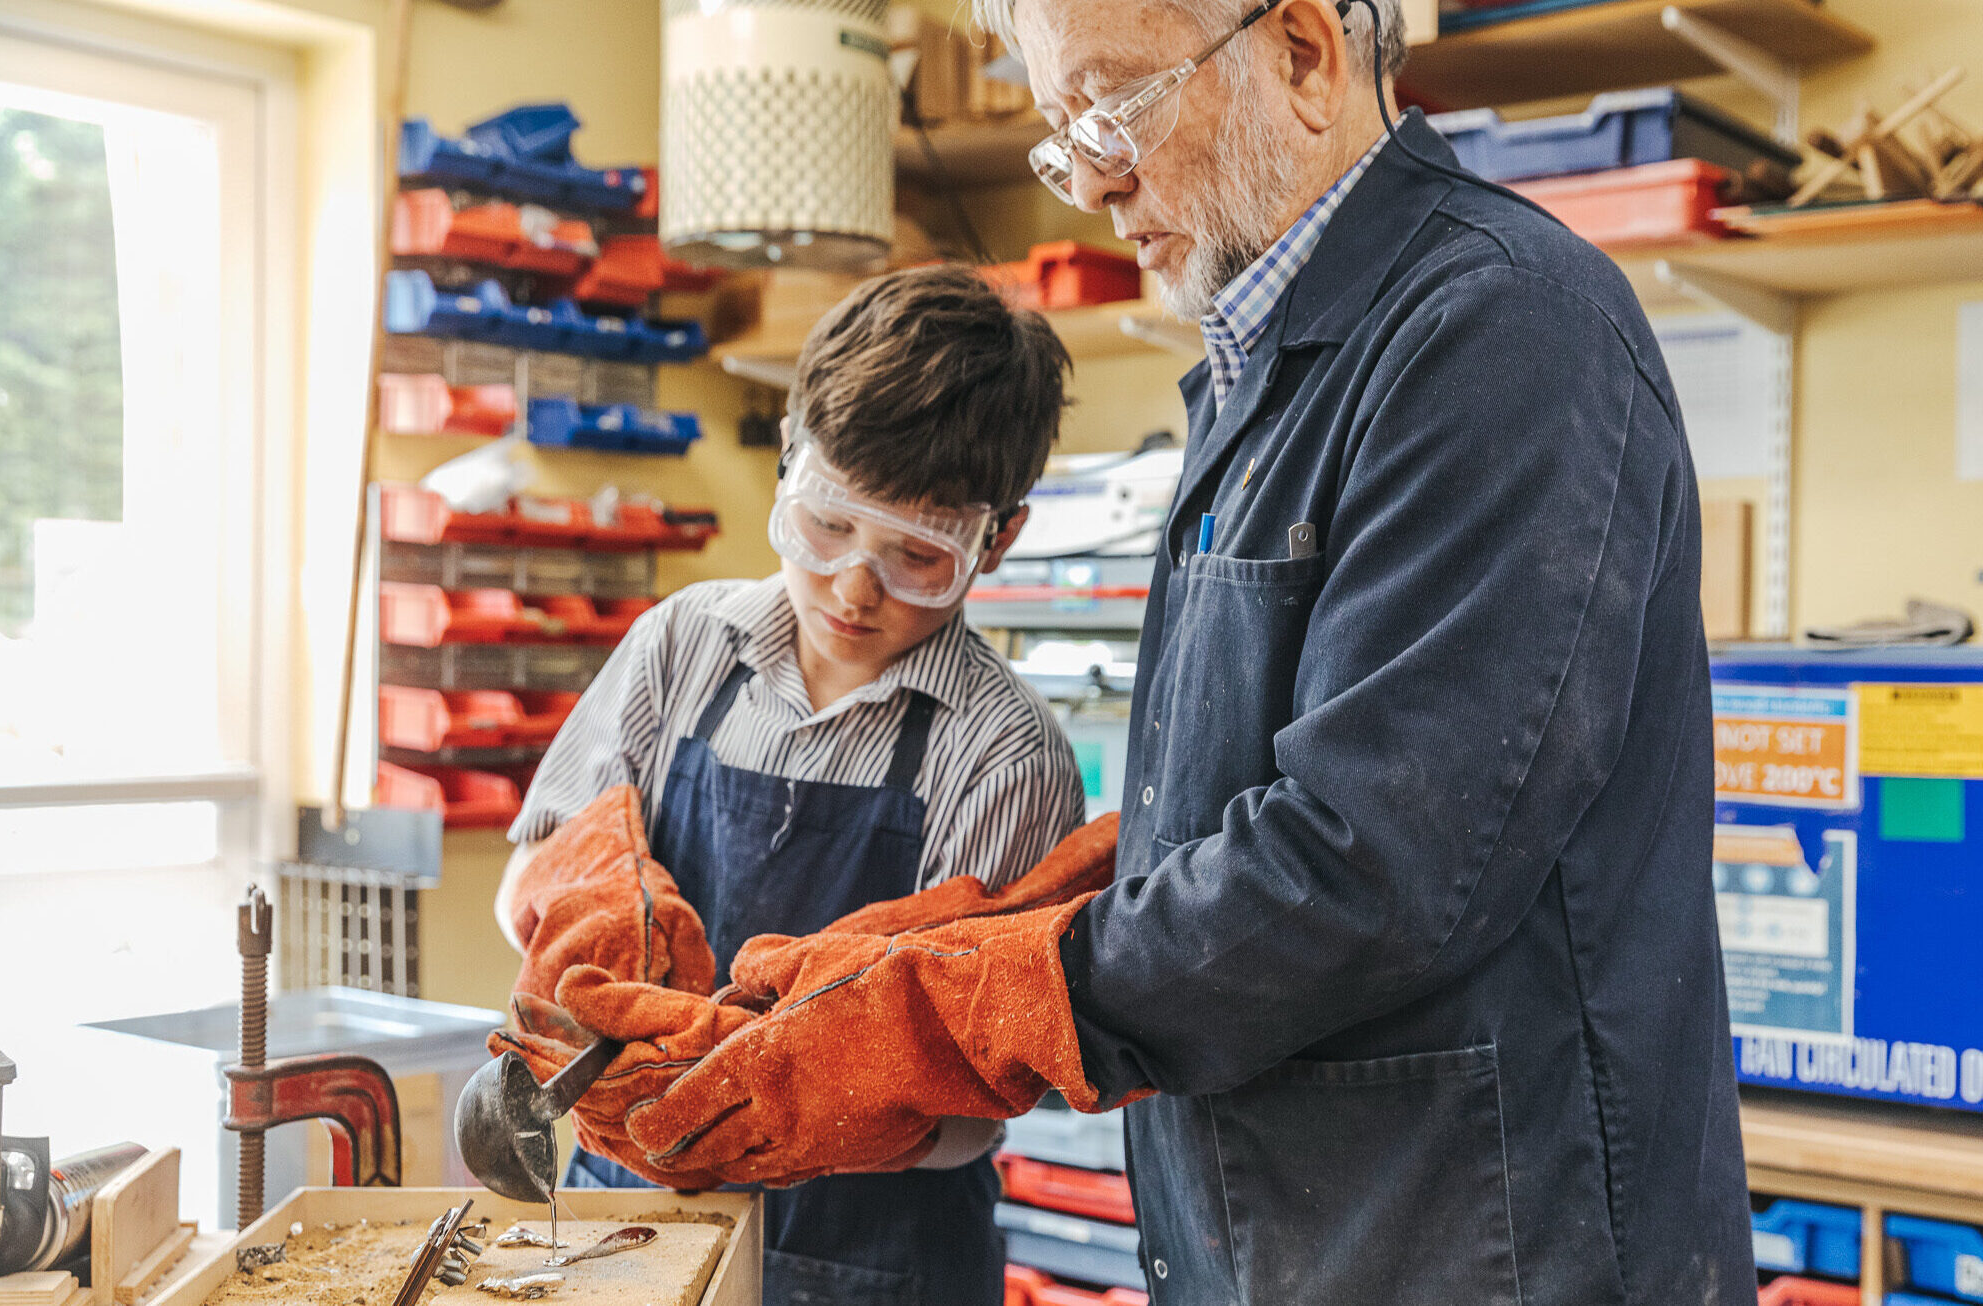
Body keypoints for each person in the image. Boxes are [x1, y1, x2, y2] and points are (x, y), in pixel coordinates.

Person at [599, 1, 1759, 1303]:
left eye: (1113, 106)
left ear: (1303, 53)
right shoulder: (1258, 367)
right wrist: (950, 941)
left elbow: (1371, 863)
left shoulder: (1503, 329)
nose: (1091, 180)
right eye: (1062, 132)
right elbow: (1236, 804)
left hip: (1470, 1250)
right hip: (1276, 1240)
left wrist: (947, 1012)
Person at [493, 264, 1087, 1306]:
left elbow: (977, 1098)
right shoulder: (681, 644)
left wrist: (825, 1096)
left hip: (875, 1262)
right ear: (786, 461)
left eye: (916, 555)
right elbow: (529, 880)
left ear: (998, 538)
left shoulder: (1006, 753)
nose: (853, 587)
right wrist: (579, 934)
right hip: (625, 1222)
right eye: (827, 526)